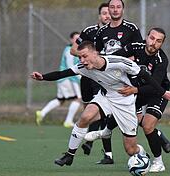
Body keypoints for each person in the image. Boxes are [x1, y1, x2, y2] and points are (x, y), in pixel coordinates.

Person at [30, 41, 170, 167]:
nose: (82, 60)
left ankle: (142, 155)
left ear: (95, 54)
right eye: (80, 57)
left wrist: (162, 93)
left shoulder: (118, 62)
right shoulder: (84, 68)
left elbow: (144, 75)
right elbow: (63, 73)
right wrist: (43, 77)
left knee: (130, 150)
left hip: (124, 101)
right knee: (85, 117)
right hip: (105, 96)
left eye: (85, 56)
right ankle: (69, 155)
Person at [85, 27, 170, 172]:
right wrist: (96, 62)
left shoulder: (161, 60)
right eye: (151, 38)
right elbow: (114, 58)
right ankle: (106, 131)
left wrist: (134, 90)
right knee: (129, 115)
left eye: (158, 41)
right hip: (138, 90)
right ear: (147, 37)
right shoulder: (135, 47)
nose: (153, 43)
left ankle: (158, 162)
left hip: (158, 92)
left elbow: (154, 86)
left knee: (147, 125)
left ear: (162, 43)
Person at [89, 0, 143, 163]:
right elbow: (96, 55)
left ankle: (158, 139)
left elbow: (139, 52)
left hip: (129, 80)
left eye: (118, 6)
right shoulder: (102, 31)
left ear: (123, 9)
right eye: (112, 7)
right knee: (107, 112)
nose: (115, 10)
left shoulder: (131, 29)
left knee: (140, 119)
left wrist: (122, 62)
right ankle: (108, 154)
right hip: (109, 81)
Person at [72, 2, 113, 159]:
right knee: (88, 110)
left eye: (109, 13)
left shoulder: (116, 33)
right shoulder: (90, 31)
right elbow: (73, 50)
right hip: (87, 77)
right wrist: (88, 56)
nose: (107, 16)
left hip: (104, 78)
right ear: (99, 15)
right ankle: (105, 153)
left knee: (99, 110)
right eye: (104, 13)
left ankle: (104, 151)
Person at [35, 32, 81, 128]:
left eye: (79, 38)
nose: (78, 40)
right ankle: (68, 121)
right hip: (68, 79)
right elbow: (70, 68)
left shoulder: (73, 50)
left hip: (63, 80)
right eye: (76, 38)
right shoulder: (70, 51)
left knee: (61, 100)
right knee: (78, 99)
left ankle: (42, 113)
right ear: (71, 40)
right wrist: (80, 77)